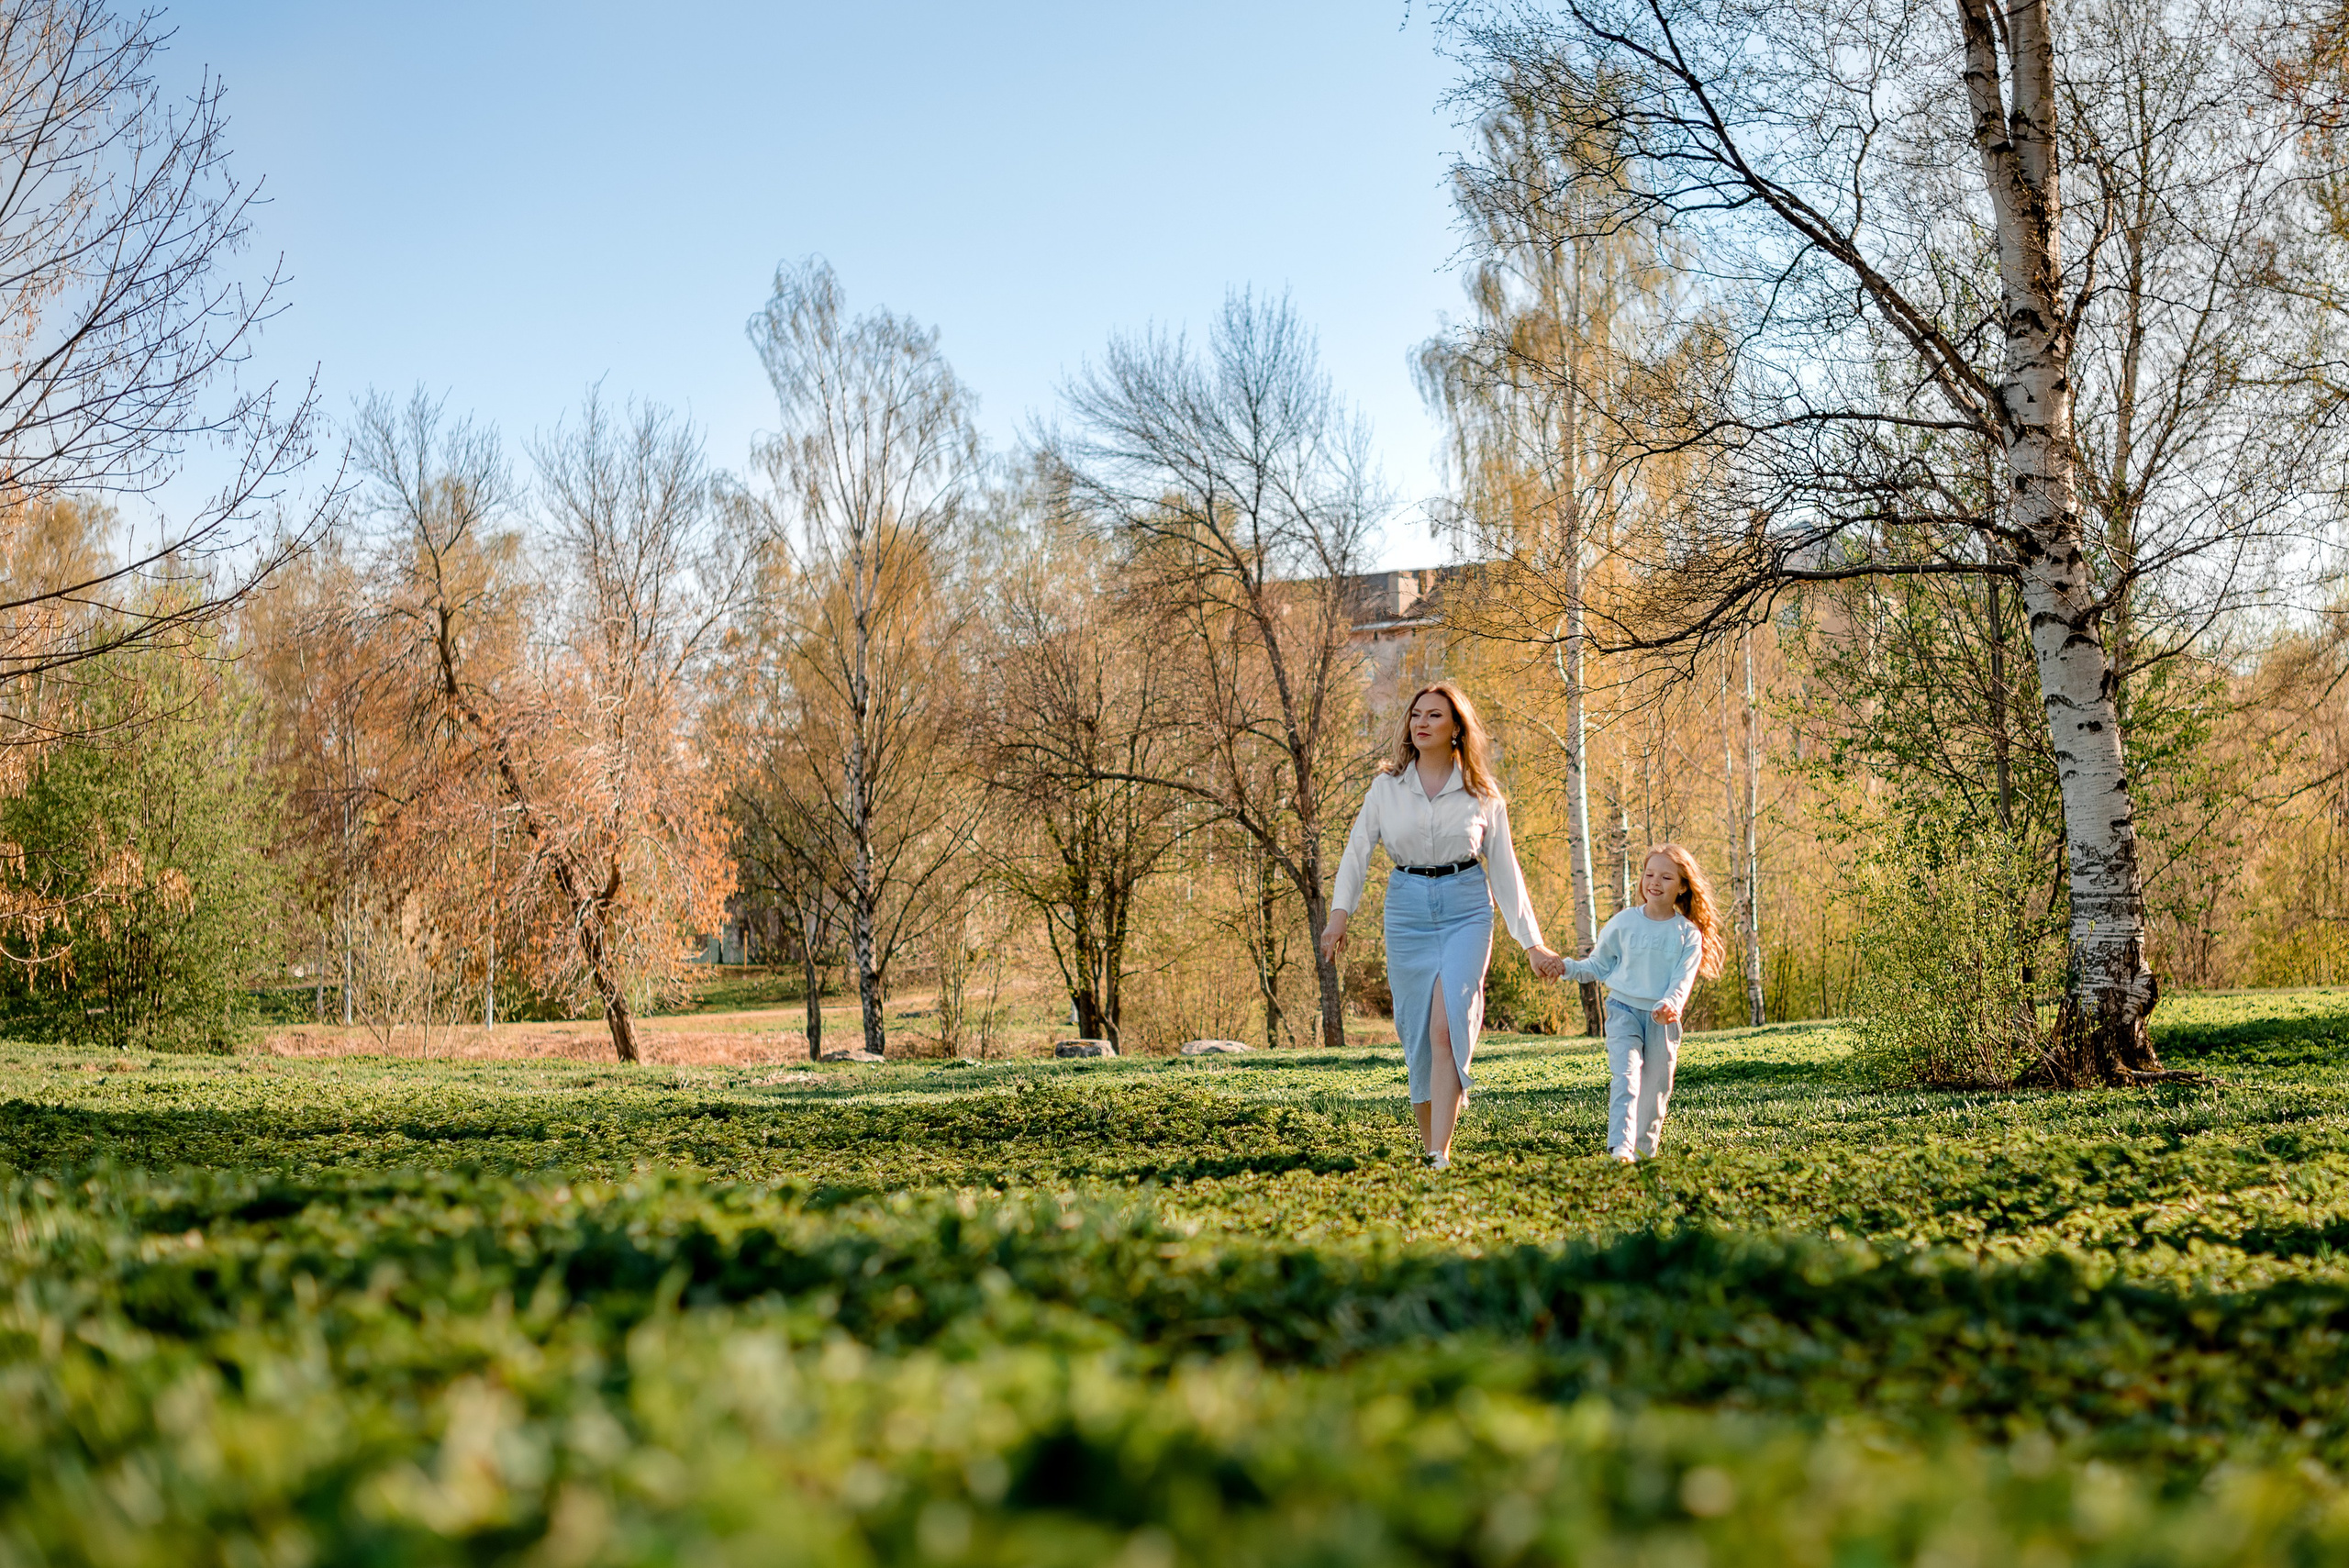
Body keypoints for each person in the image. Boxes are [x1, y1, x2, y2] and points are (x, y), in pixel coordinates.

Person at [1322, 683, 1564, 1170]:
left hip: (1466, 906)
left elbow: (1505, 870)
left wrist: (1532, 942)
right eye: (1416, 715)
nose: (1422, 723)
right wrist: (1338, 916)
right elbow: (1356, 853)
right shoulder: (1386, 787)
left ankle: (1439, 1154)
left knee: (1446, 1027)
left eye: (1435, 715)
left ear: (1457, 727)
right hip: (1407, 908)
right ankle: (1432, 1139)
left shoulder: (1482, 793)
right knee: (1417, 1037)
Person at [1558, 843, 1726, 1162]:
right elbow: (1598, 965)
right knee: (1627, 1076)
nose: (1654, 882)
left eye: (1665, 877)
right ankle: (1621, 1148)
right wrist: (1567, 967)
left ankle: (1643, 1154)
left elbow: (1683, 979)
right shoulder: (1624, 923)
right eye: (1649, 874)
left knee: (1655, 1092)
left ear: (1682, 887)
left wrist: (1670, 1004)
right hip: (1623, 1010)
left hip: (1663, 1019)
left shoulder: (1687, 934)